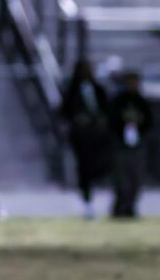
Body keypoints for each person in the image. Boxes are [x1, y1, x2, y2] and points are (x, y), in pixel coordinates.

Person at [62, 59, 109, 219]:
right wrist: (78, 119)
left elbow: (107, 109)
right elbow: (64, 111)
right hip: (81, 137)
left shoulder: (98, 89)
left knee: (99, 165)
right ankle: (87, 199)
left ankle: (100, 193)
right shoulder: (71, 91)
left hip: (97, 136)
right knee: (84, 168)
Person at [107, 71, 151, 218]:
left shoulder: (141, 101)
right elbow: (112, 120)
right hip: (121, 144)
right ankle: (120, 206)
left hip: (137, 145)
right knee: (121, 178)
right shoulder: (119, 101)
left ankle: (131, 206)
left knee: (135, 177)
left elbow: (149, 122)